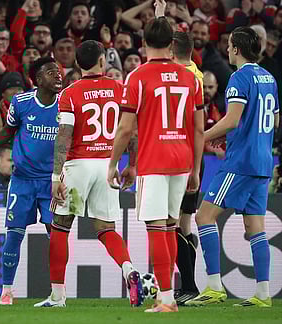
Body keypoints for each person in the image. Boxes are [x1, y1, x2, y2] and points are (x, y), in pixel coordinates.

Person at [107, 0, 205, 313]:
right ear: (172, 43)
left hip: (153, 159)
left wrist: (114, 163)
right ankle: (168, 296)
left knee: (155, 227)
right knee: (171, 226)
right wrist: (196, 169)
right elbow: (199, 128)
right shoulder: (191, 77)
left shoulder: (137, 77)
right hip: (182, 158)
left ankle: (166, 298)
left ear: (144, 41)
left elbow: (124, 129)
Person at [34, 40, 144, 309]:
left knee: (60, 226)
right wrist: (132, 165)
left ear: (76, 63)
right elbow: (132, 130)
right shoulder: (120, 89)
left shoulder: (70, 94)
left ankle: (57, 296)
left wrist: (55, 176)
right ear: (103, 62)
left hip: (78, 167)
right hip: (108, 165)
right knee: (106, 229)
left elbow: (64, 136)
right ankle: (128, 269)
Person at [186, 26, 279, 308]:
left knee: (203, 217)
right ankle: (263, 294)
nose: (226, 49)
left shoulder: (240, 78)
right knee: (255, 227)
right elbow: (274, 122)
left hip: (240, 162)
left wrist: (201, 136)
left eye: (229, 45)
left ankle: (214, 287)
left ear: (236, 49)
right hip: (263, 161)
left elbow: (232, 120)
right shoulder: (269, 77)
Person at [0, 56, 62, 305]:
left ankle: (57, 292)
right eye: (51, 72)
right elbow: (8, 130)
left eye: (59, 72)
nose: (58, 76)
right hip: (22, 180)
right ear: (38, 79)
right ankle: (6, 291)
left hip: (52, 183)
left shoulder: (66, 104)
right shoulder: (21, 102)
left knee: (56, 235)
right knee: (14, 234)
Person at [171, 30, 205, 305]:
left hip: (179, 156)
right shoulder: (194, 73)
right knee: (183, 224)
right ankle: (189, 286)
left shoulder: (178, 76)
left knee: (170, 225)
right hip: (194, 156)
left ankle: (190, 285)